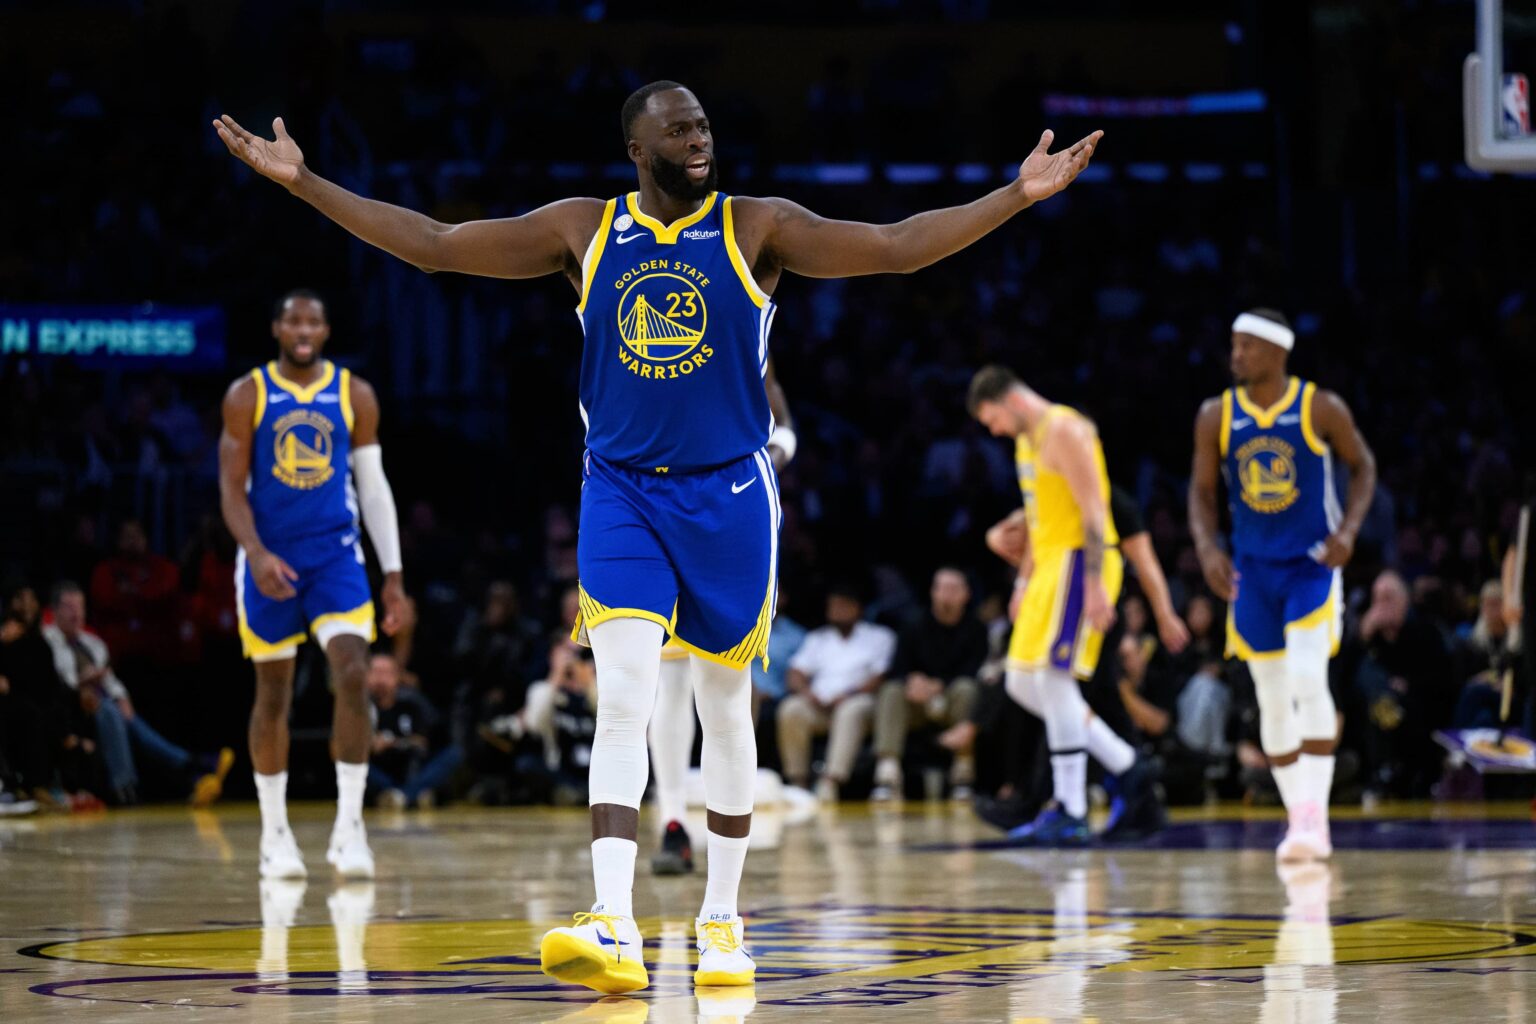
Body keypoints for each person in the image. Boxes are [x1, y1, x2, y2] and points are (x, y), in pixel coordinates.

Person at [214, 79, 1100, 994]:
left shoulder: (758, 226)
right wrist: (307, 183)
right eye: (678, 131)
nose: (698, 140)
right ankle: (613, 919)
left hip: (732, 496)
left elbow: (896, 248)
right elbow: (437, 248)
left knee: (723, 710)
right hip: (622, 493)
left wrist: (1015, 195)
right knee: (625, 696)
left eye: (704, 125)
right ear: (636, 150)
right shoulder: (582, 230)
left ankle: (722, 920)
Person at [218, 290, 407, 881]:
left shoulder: (355, 394)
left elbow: (373, 489)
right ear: (276, 328)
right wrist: (256, 552)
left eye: (314, 320)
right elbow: (230, 487)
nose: (303, 329)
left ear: (326, 331)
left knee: (352, 670)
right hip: (269, 558)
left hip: (336, 558)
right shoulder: (247, 394)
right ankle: (275, 835)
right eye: (293, 319)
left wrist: (394, 575)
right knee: (273, 693)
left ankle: (350, 827)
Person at [1189, 308, 1376, 861]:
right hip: (1252, 570)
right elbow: (1200, 492)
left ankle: (1316, 815)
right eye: (1234, 344)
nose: (1236, 354)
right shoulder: (1214, 415)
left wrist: (1349, 530)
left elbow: (1364, 466)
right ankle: (1300, 820)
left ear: (1278, 352)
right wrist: (1206, 547)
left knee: (1305, 673)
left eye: (1247, 345)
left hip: (1311, 565)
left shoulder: (1319, 406)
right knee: (1268, 695)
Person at [967, 366, 1167, 846]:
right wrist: (1021, 583)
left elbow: (1096, 511)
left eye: (992, 418)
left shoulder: (1067, 430)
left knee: (1055, 684)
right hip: (1049, 567)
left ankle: (1071, 808)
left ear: (1010, 402)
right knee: (1020, 681)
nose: (992, 430)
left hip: (1081, 564)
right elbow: (1038, 518)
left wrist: (1097, 583)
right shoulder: (1026, 441)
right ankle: (1128, 764)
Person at [649, 359, 795, 877]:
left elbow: (782, 418)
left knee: (726, 680)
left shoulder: (743, 314)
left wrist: (775, 453)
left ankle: (726, 838)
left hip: (730, 499)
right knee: (666, 681)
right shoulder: (651, 336)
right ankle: (672, 823)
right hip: (658, 494)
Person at [43, 582, 233, 806]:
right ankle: (186, 766)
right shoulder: (47, 641)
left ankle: (168, 777)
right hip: (70, 710)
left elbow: (111, 683)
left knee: (119, 712)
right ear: (54, 611)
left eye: (80, 607)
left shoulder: (93, 644)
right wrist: (84, 684)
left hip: (102, 706)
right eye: (69, 607)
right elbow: (55, 685)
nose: (76, 613)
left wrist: (123, 698)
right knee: (111, 712)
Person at [871, 566, 988, 801]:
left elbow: (976, 671)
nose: (947, 594)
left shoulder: (976, 628)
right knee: (892, 690)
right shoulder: (913, 624)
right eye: (942, 588)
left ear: (966, 594)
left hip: (952, 700)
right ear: (933, 592)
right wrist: (912, 681)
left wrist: (939, 685)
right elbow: (897, 668)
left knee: (967, 689)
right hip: (916, 702)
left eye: (954, 589)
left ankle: (963, 773)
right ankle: (887, 774)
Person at [778, 584, 897, 802]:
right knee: (791, 708)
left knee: (850, 710)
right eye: (833, 606)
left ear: (858, 608)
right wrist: (807, 692)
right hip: (820, 705)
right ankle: (798, 781)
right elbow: (795, 672)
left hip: (862, 703)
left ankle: (830, 781)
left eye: (843, 606)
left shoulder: (879, 636)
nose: (837, 610)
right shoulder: (818, 638)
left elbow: (881, 676)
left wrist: (849, 694)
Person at [365, 653, 461, 809]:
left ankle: (401, 796)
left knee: (453, 754)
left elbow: (423, 741)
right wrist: (369, 745)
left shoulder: (413, 702)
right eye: (375, 672)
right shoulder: (357, 707)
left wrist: (393, 743)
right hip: (380, 770)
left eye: (386, 673)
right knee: (356, 766)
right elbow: (337, 749)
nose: (380, 679)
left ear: (398, 677)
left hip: (411, 767)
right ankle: (414, 795)